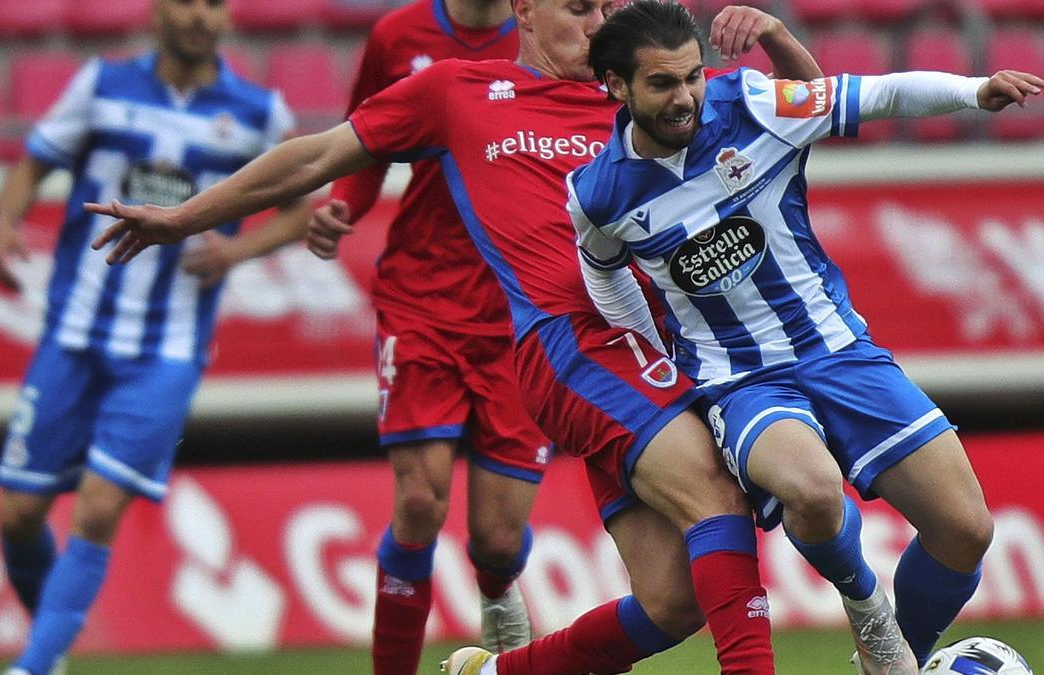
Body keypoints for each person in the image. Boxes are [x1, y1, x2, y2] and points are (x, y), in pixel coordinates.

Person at [87, 3, 822, 673]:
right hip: (565, 347)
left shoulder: (647, 95)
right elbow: (317, 155)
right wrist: (185, 218)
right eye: (578, 9)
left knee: (669, 599)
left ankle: (496, 670)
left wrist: (777, 39)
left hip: (665, 351)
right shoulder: (456, 92)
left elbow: (799, 117)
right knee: (707, 500)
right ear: (524, 11)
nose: (599, 23)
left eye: (606, 7)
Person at [566, 1, 1044, 673]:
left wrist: (975, 91)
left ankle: (887, 662)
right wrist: (654, 352)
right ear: (617, 86)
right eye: (662, 84)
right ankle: (869, 611)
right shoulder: (599, 193)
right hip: (739, 382)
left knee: (965, 529)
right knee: (815, 489)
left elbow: (873, 95)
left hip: (839, 350)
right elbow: (604, 274)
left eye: (693, 77)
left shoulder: (754, 104)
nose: (685, 98)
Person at [0, 1, 309, 673]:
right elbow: (34, 161)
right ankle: (49, 642)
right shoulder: (100, 85)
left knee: (100, 507)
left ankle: (36, 664)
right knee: (19, 512)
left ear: (228, 18)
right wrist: (4, 223)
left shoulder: (259, 111)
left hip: (168, 346)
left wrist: (235, 253)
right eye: (186, 1)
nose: (199, 15)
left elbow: (298, 211)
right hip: (73, 333)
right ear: (158, 10)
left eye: (214, 4)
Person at [308, 0, 544, 670]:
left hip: (520, 309)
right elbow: (364, 143)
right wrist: (342, 207)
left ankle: (499, 589)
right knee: (418, 500)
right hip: (424, 298)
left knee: (498, 539)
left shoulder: (547, 32)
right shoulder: (398, 35)